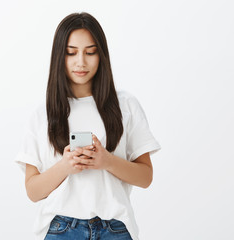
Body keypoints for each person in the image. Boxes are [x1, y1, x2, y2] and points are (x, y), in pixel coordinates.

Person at [15, 12, 161, 240]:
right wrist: (65, 166)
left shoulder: (126, 105)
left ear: (101, 55)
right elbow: (33, 192)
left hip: (116, 228)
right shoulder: (41, 114)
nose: (80, 62)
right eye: (71, 53)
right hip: (61, 229)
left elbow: (146, 177)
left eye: (90, 52)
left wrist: (106, 161)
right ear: (59, 57)